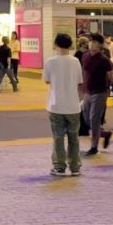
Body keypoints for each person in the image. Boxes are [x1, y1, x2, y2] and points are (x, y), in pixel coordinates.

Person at [44, 33, 84, 177]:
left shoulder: (50, 61)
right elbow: (80, 81)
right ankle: (75, 167)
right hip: (73, 105)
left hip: (56, 105)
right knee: (74, 137)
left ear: (55, 44)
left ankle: (59, 167)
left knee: (58, 137)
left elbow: (47, 81)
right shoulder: (76, 61)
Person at [81, 33, 113, 155]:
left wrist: (110, 90)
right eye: (90, 41)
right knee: (86, 118)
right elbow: (84, 73)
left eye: (94, 42)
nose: (91, 44)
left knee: (94, 118)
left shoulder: (104, 60)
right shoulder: (85, 56)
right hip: (87, 92)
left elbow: (111, 76)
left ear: (100, 45)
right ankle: (104, 134)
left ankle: (94, 146)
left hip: (100, 92)